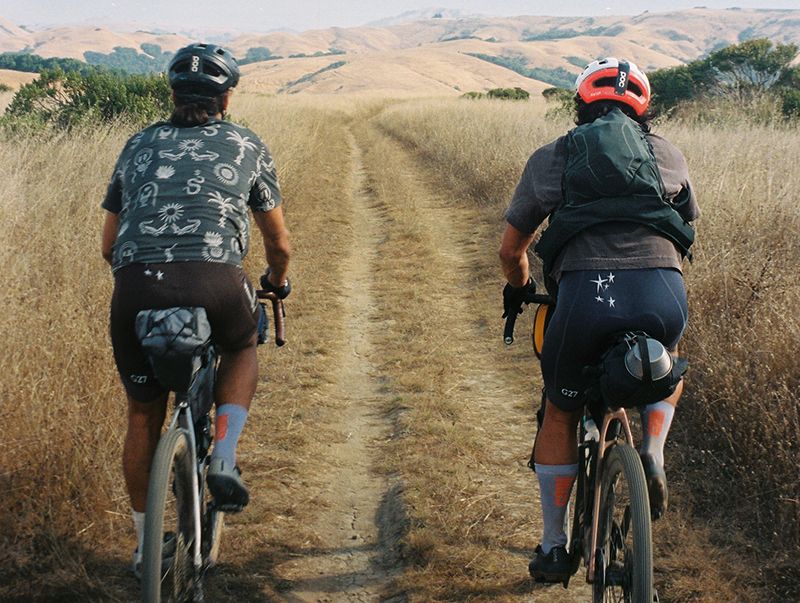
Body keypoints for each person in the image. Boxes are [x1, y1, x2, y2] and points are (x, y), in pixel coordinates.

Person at [498, 57, 699, 582]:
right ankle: (652, 451)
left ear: (581, 104)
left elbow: (510, 250)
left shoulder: (552, 157)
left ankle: (553, 546)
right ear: (645, 109)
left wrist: (521, 290)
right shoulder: (669, 155)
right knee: (668, 366)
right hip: (662, 290)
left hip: (586, 297)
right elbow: (684, 228)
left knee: (560, 411)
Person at [100, 43, 292, 576]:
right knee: (241, 345)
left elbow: (107, 246)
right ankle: (224, 454)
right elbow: (279, 244)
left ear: (172, 94)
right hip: (216, 281)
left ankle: (143, 550)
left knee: (142, 413)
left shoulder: (136, 144)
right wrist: (276, 282)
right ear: (225, 99)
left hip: (135, 285)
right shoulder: (246, 144)